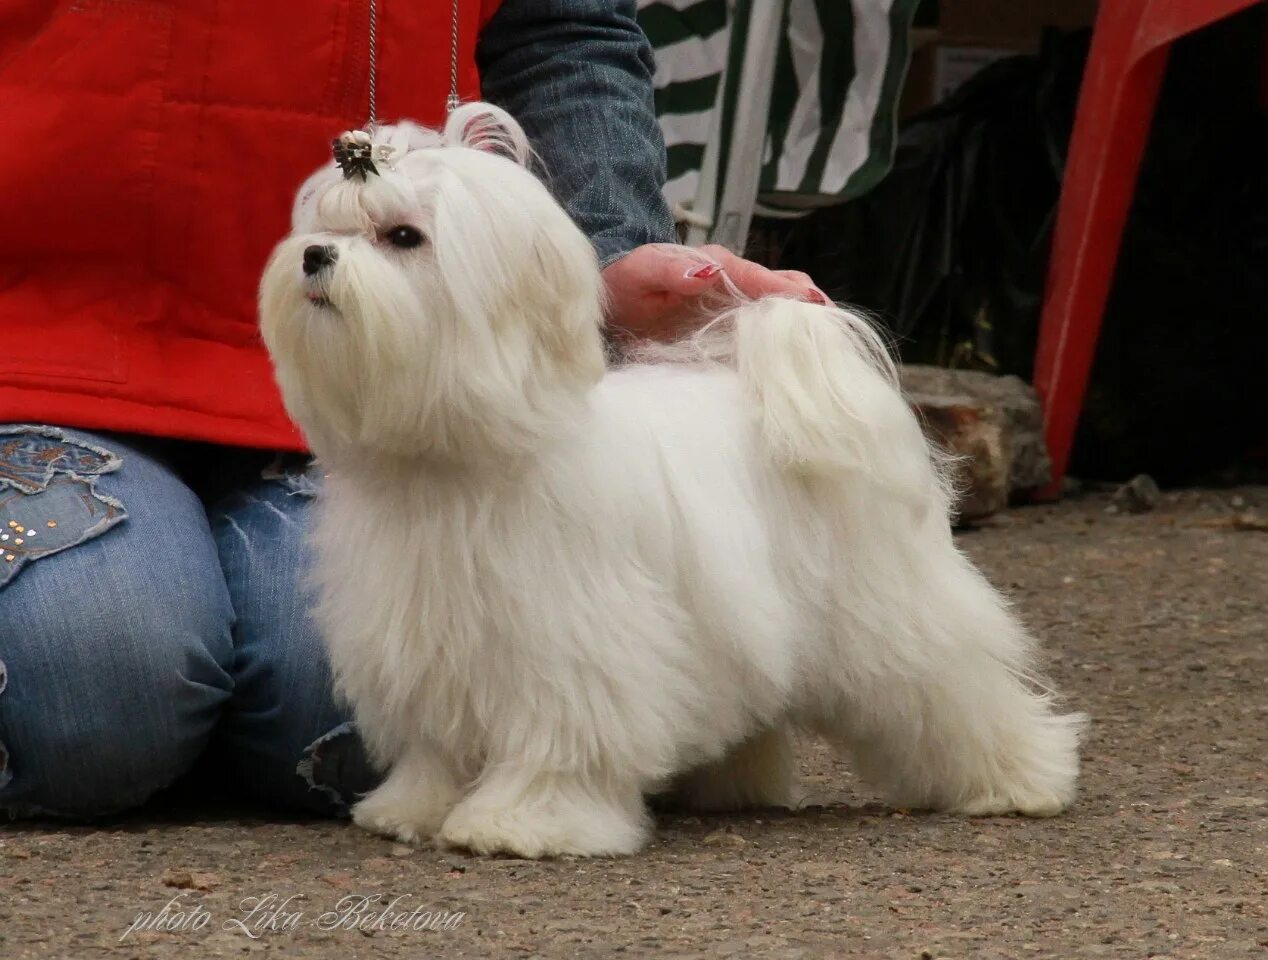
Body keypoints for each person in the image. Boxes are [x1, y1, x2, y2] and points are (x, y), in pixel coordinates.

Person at [0, 0, 822, 818]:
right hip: (37, 342)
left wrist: (598, 258)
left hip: (375, 407)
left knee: (340, 720)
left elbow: (563, 31)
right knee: (94, 688)